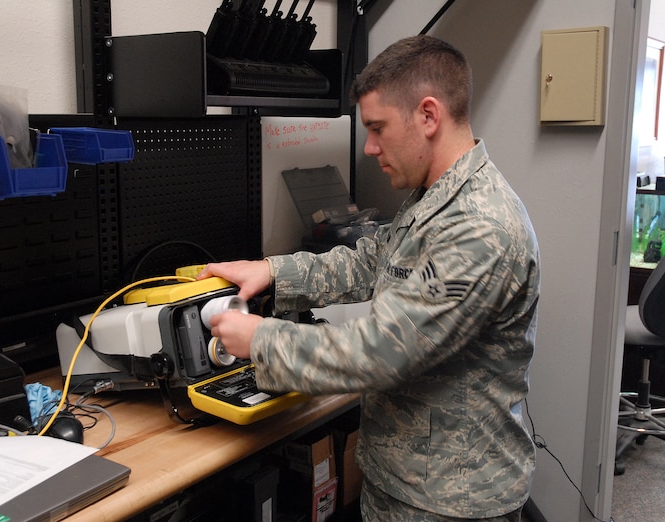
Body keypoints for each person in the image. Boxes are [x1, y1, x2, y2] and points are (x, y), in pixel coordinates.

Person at [197, 34, 540, 522]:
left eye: (378, 127)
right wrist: (271, 270)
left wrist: (262, 340)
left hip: (450, 502)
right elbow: (368, 261)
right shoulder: (433, 198)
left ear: (428, 115)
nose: (369, 146)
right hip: (403, 481)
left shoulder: (479, 227)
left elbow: (383, 351)